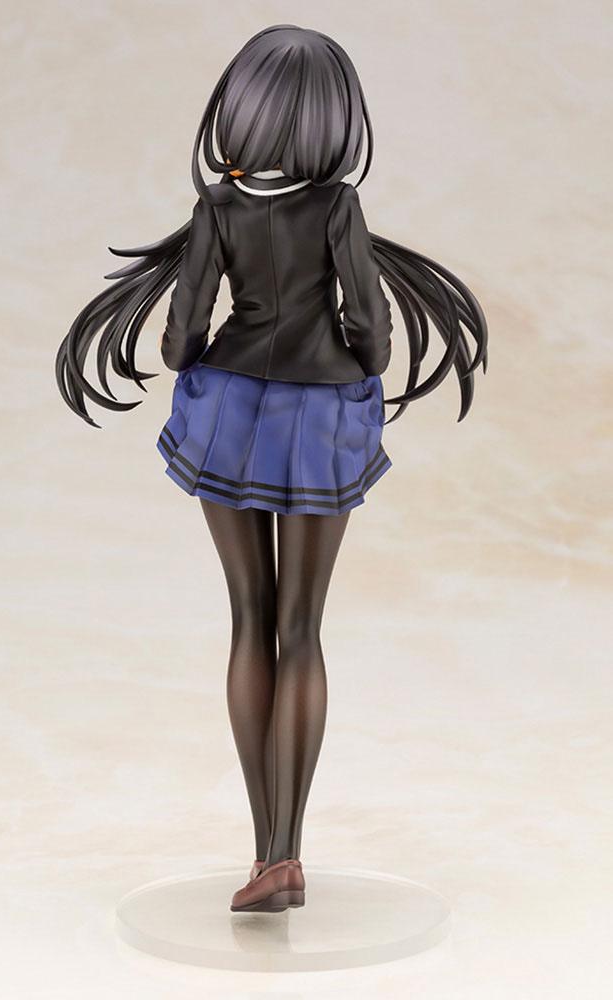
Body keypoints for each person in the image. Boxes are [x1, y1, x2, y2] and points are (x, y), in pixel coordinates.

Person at [56, 24, 488, 914]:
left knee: (249, 617)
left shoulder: (217, 206)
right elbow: (369, 327)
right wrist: (356, 364)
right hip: (320, 411)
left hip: (228, 409)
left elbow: (182, 332)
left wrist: (198, 360)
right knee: (301, 627)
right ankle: (284, 852)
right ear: (333, 117)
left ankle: (267, 856)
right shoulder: (336, 206)